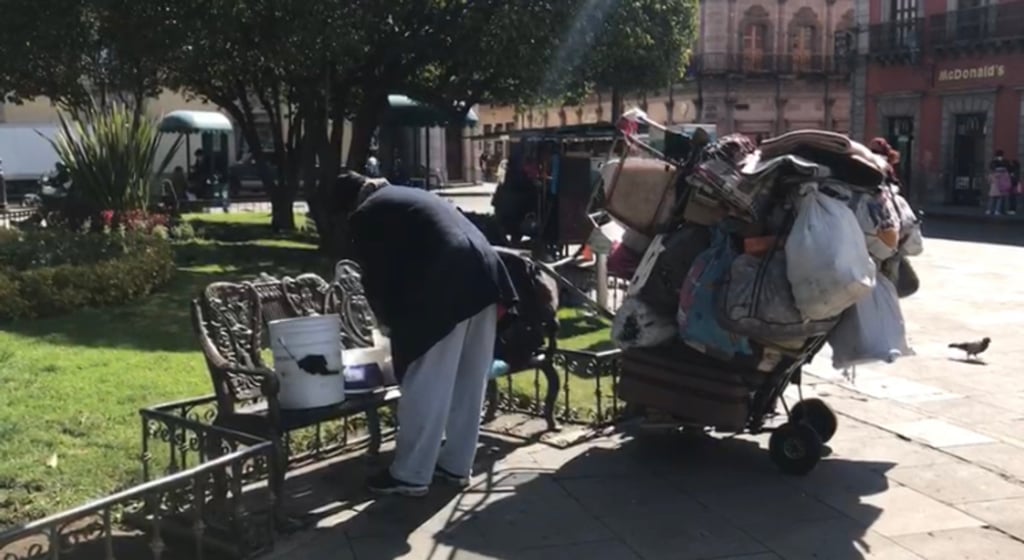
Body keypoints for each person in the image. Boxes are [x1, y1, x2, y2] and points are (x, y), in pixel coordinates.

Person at [340, 172, 518, 496]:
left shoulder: (367, 214)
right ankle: (455, 466)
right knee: (469, 378)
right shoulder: (407, 195)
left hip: (447, 280)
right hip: (487, 275)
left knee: (426, 379)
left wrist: (389, 324)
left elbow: (378, 276)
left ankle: (410, 474)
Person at [988, 150, 1012, 216]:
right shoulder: (1005, 165)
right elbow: (1009, 172)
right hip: (1002, 186)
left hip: (994, 186)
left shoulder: (993, 163)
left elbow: (989, 177)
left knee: (992, 198)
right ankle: (998, 210)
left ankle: (990, 210)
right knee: (1000, 198)